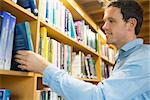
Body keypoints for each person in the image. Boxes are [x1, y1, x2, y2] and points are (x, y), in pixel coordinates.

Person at [15, 0, 150, 100]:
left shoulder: (144, 58)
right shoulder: (124, 57)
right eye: (104, 21)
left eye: (111, 21)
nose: (104, 27)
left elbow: (99, 97)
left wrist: (45, 67)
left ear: (131, 24)